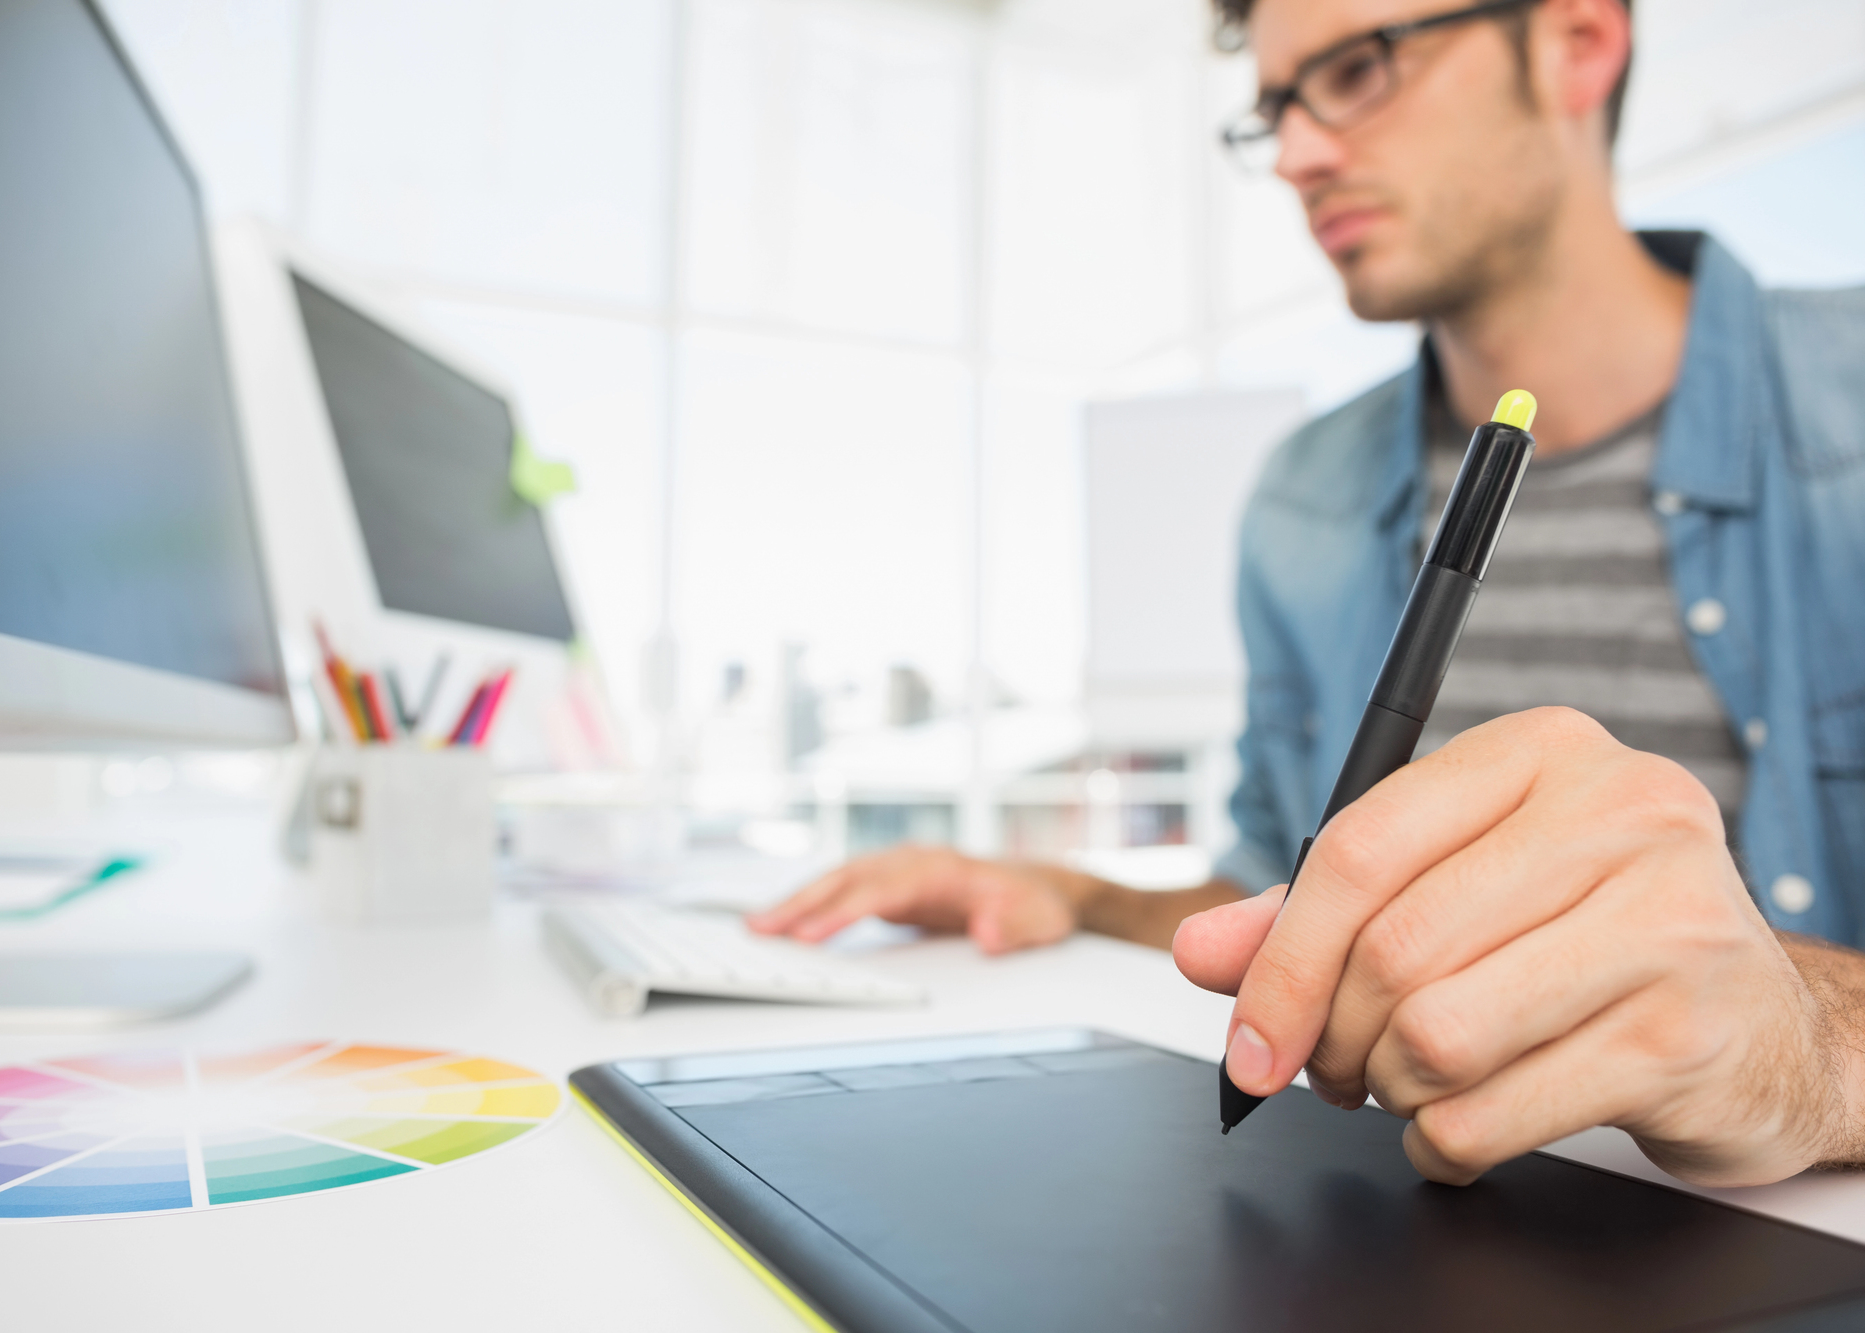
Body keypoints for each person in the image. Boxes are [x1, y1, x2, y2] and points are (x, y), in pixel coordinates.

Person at [753, 0, 1865, 1188]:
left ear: (1574, 43)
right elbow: (1277, 900)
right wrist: (1066, 894)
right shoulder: (1302, 498)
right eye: (1274, 106)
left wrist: (1808, 1044)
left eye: (1353, 69)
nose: (1294, 155)